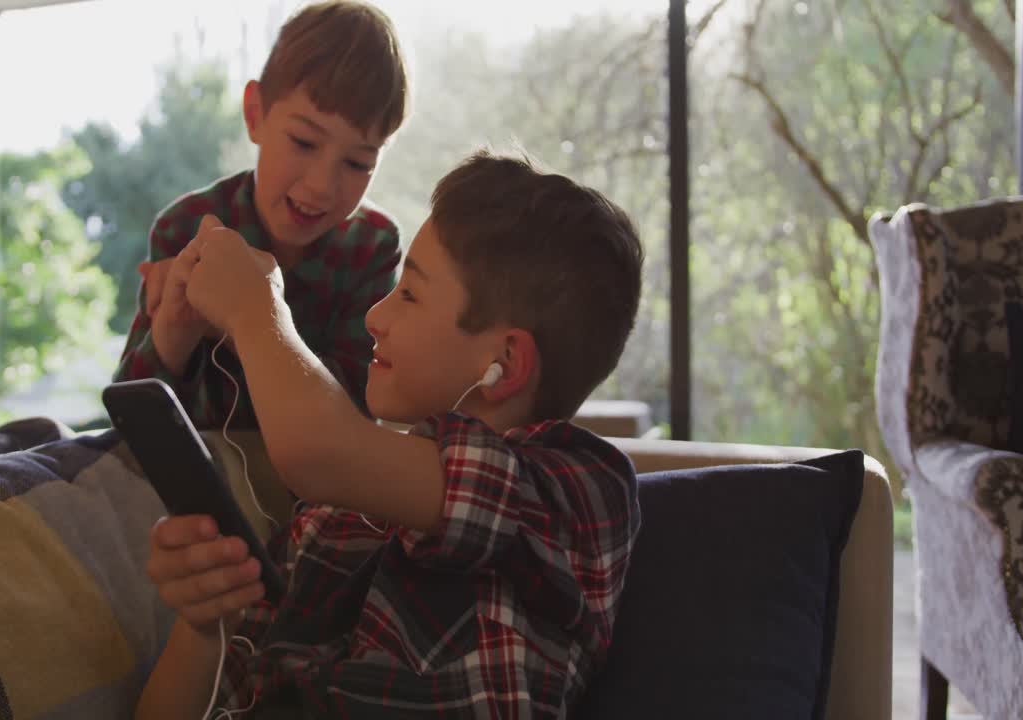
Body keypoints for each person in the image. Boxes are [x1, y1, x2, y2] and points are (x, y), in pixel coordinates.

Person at [136, 150, 645, 719]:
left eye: (411, 294)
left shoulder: (573, 490)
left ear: (505, 360)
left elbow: (318, 451)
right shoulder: (332, 519)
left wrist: (259, 307)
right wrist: (206, 622)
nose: (375, 316)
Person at [114, 0, 408, 430]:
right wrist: (174, 328)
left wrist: (242, 321)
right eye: (305, 143)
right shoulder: (187, 225)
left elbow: (357, 409)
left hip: (306, 485)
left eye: (357, 163)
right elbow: (129, 420)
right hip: (190, 471)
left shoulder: (372, 245)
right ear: (255, 115)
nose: (321, 185)